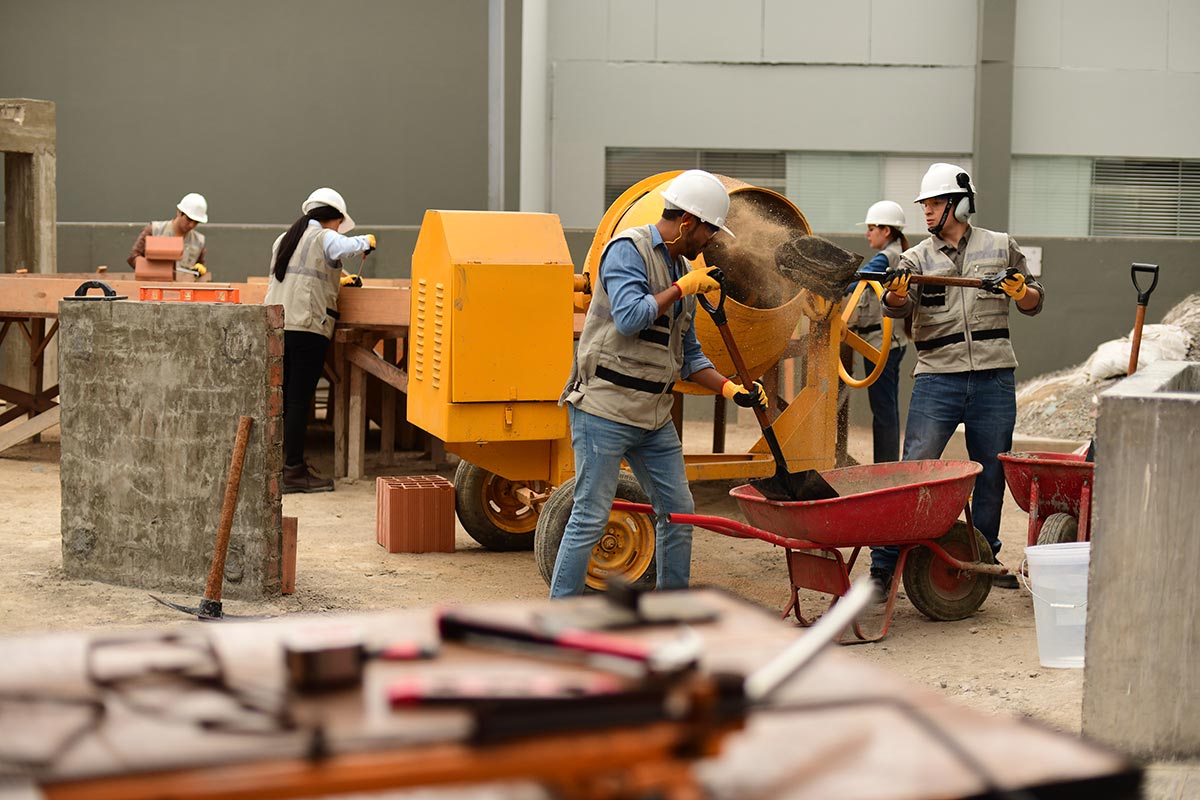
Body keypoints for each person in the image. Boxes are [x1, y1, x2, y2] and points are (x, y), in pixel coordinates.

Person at [550, 169, 767, 597]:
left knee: (679, 512)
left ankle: (672, 613)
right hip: (604, 411)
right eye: (708, 231)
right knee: (591, 516)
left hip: (653, 418)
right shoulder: (626, 250)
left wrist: (729, 388)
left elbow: (688, 357)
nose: (711, 242)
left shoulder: (682, 266)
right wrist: (681, 288)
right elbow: (630, 318)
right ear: (687, 222)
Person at [871, 164, 1044, 594]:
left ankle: (981, 558)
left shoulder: (1002, 246)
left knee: (989, 475)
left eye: (932, 203)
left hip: (994, 378)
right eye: (924, 204)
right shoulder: (914, 259)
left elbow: (1036, 301)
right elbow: (897, 308)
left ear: (957, 204)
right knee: (916, 470)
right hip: (937, 378)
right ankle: (886, 565)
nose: (925, 212)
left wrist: (1022, 290)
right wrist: (894, 291)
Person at [265, 187, 376, 494]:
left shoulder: (284, 239)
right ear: (333, 218)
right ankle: (294, 471)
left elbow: (301, 275)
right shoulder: (324, 237)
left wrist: (339, 279)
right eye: (340, 223)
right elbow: (345, 245)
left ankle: (279, 467)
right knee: (299, 400)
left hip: (279, 325)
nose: (339, 229)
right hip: (308, 325)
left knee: (284, 398)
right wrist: (367, 241)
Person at [848, 200, 910, 463]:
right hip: (889, 342)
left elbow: (857, 283)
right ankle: (887, 463)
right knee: (887, 408)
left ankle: (884, 465)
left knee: (883, 409)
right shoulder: (896, 254)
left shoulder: (886, 258)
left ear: (887, 230)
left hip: (880, 343)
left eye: (872, 228)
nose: (868, 233)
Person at [127, 193, 209, 276]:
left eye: (196, 222)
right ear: (179, 212)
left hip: (183, 287)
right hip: (155, 286)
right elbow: (133, 257)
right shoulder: (154, 230)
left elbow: (199, 267)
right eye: (189, 219)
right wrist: (152, 271)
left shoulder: (199, 241)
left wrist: (199, 270)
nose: (191, 225)